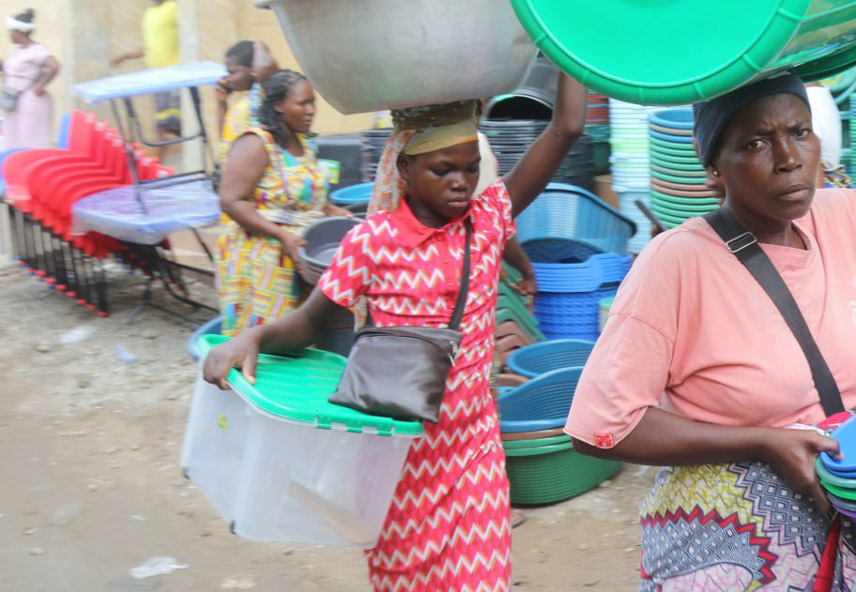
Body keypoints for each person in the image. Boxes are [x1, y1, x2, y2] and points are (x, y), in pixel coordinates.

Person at [566, 0, 856, 592]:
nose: (789, 158)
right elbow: (602, 427)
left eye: (799, 132)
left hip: (850, 502)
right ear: (714, 170)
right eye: (756, 142)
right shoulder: (678, 262)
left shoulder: (845, 218)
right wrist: (761, 440)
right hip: (728, 535)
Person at [202, 73, 587, 589]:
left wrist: (569, 48)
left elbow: (566, 128)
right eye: (442, 169)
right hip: (395, 456)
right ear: (405, 168)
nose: (461, 182)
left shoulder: (488, 218)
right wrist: (252, 338)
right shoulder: (372, 241)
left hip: (472, 451)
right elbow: (312, 323)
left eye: (472, 169)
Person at [215, 70, 352, 336]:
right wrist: (281, 235)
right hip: (263, 256)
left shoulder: (305, 143)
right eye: (303, 104)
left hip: (300, 251)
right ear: (278, 105)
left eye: (313, 103)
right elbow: (230, 200)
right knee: (266, 335)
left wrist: (331, 211)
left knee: (300, 334)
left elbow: (305, 196)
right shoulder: (257, 143)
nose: (311, 110)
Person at [111, 0, 182, 147]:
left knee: (169, 127)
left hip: (172, 76)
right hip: (156, 78)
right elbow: (150, 47)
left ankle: (161, 169)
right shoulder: (149, 13)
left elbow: (188, 36)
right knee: (163, 127)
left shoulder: (173, 8)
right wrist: (125, 56)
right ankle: (161, 170)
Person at [3, 9, 59, 150]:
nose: (9, 35)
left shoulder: (37, 50)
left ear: (18, 31)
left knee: (30, 137)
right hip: (14, 101)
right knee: (13, 136)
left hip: (30, 102)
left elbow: (54, 66)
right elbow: (10, 70)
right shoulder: (18, 51)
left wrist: (39, 87)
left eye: (11, 31)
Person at [216, 39, 279, 164]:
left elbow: (265, 66)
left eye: (232, 72)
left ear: (253, 68)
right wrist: (221, 103)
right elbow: (225, 136)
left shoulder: (263, 91)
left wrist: (259, 46)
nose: (227, 78)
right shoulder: (248, 99)